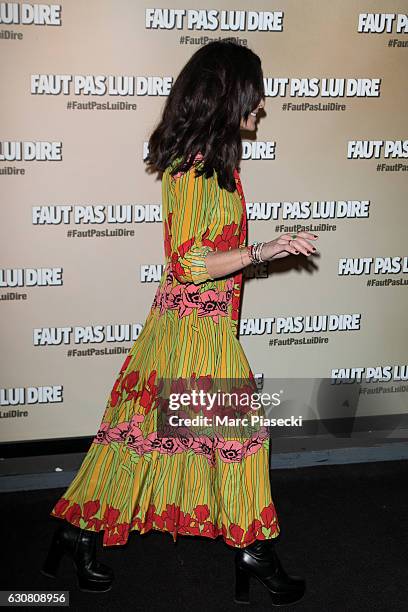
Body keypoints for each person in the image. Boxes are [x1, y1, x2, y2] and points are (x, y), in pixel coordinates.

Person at [41, 40, 318, 606]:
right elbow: (188, 263)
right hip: (191, 333)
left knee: (139, 439)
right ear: (226, 95)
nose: (261, 105)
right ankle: (253, 553)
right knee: (233, 439)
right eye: (254, 93)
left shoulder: (218, 166)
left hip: (201, 327)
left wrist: (259, 253)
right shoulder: (190, 169)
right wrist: (264, 250)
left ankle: (77, 533)